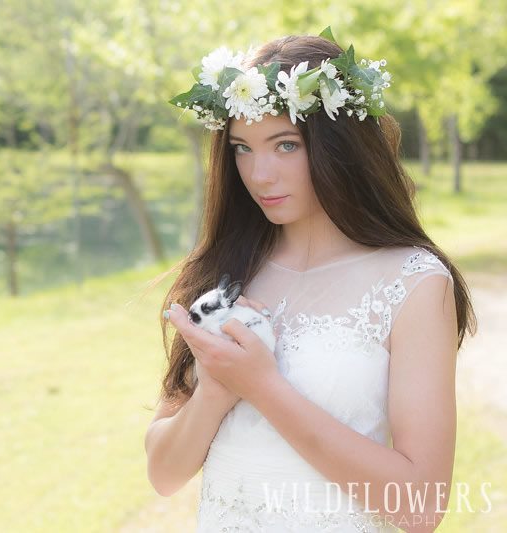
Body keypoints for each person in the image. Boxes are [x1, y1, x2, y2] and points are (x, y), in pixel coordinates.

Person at [144, 28, 477, 532]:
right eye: (241, 148)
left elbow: (421, 507)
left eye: (284, 145)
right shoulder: (225, 270)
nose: (259, 175)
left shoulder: (413, 282)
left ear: (339, 147)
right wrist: (214, 390)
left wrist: (261, 387)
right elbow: (164, 474)